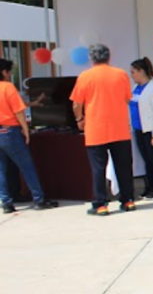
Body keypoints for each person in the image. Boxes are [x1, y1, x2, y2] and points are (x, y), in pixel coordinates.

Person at [70, 44, 135, 216]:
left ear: (91, 59)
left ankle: (100, 204)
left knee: (98, 168)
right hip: (120, 127)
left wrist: (80, 119)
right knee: (124, 167)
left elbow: (77, 103)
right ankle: (128, 200)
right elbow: (127, 98)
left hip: (96, 128)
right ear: (109, 57)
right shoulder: (121, 74)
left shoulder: (85, 76)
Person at [0, 59, 57, 213]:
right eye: (10, 71)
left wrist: (34, 103)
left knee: (2, 170)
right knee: (26, 166)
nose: (10, 75)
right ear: (4, 72)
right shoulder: (7, 87)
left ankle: (6, 202)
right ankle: (39, 199)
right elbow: (18, 110)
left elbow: (19, 104)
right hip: (10, 131)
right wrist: (25, 129)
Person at [128, 58, 153, 199]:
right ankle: (149, 186)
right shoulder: (135, 88)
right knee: (146, 159)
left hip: (152, 129)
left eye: (133, 72)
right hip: (140, 128)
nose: (131, 75)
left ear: (141, 71)